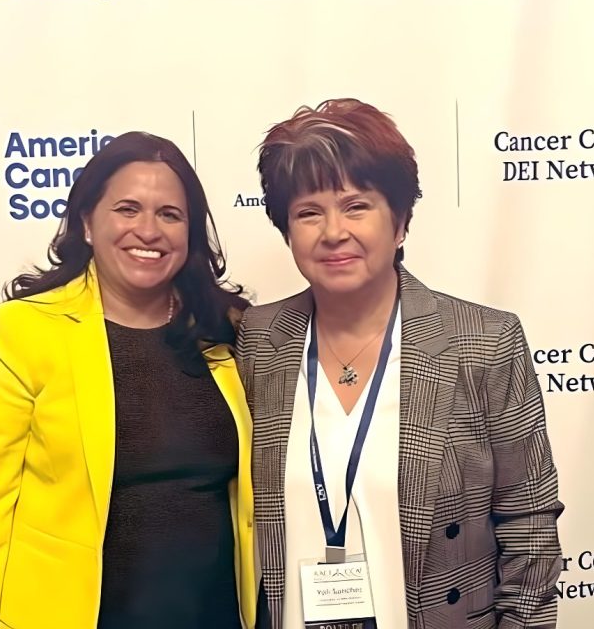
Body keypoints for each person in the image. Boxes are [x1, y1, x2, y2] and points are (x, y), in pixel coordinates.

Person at [236, 99, 563, 629]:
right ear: (286, 230)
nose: (333, 231)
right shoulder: (256, 341)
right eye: (308, 212)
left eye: (356, 206)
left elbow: (530, 526)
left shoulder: (483, 342)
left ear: (401, 221)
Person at [0, 132, 257, 629]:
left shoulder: (229, 331)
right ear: (88, 222)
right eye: (127, 209)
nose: (148, 230)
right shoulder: (20, 332)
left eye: (170, 215)